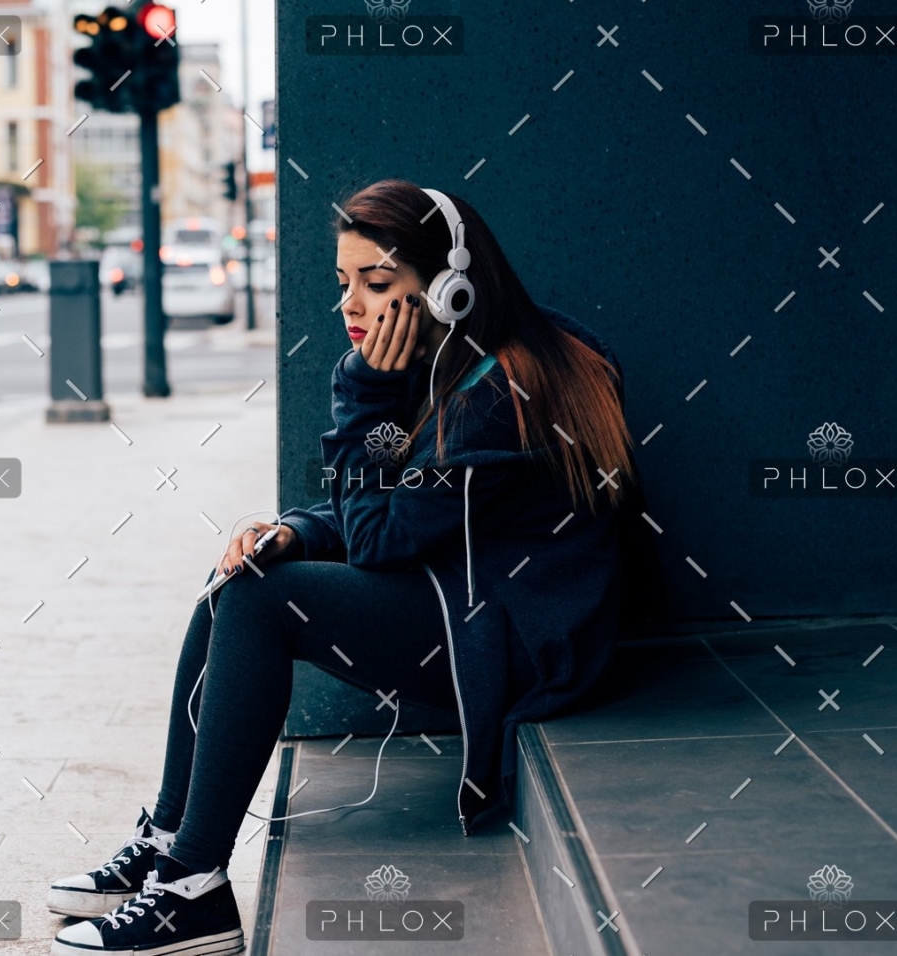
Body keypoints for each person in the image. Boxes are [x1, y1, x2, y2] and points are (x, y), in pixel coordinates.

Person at [45, 179, 638, 956]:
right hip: (474, 600)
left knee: (264, 602)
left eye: (378, 283)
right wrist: (291, 529)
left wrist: (365, 397)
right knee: (245, 579)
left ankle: (193, 887)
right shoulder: (465, 363)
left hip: (520, 645)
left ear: (451, 286)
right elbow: (404, 519)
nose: (352, 306)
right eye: (344, 283)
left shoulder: (498, 394)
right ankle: (168, 840)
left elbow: (384, 539)